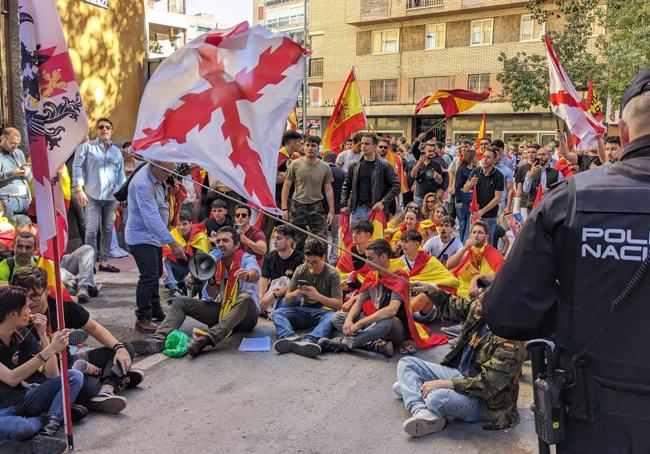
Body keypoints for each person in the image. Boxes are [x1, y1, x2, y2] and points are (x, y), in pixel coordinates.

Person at [483, 69, 650, 453]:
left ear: (622, 134)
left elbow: (506, 312)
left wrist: (573, 310)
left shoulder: (571, 199)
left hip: (596, 416)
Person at [394, 280, 526, 437]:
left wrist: (442, 384)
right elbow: (452, 304)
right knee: (407, 363)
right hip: (460, 375)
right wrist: (431, 290)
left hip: (486, 402)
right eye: (482, 294)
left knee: (435, 397)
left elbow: (487, 385)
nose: (478, 298)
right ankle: (421, 411)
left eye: (484, 298)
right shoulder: (478, 310)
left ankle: (415, 389)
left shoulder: (511, 340)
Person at [12, 267, 143, 415]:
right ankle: (116, 379)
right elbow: (47, 373)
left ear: (47, 290)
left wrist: (119, 348)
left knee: (125, 348)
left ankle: (107, 389)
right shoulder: (13, 316)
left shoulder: (60, 305)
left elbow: (93, 327)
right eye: (24, 296)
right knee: (81, 383)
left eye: (35, 296)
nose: (29, 302)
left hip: (71, 362)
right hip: (43, 375)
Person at [154, 227, 260, 358]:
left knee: (245, 298)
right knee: (180, 301)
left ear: (237, 245)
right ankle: (159, 339)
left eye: (225, 241)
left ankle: (206, 340)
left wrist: (247, 275)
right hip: (223, 312)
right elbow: (211, 295)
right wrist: (210, 277)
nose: (220, 244)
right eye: (218, 241)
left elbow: (255, 273)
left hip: (246, 317)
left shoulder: (246, 258)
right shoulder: (215, 262)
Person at [0, 286, 83, 441]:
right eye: (26, 308)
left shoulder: (21, 333)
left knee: (73, 376)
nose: (30, 312)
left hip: (24, 397)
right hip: (3, 409)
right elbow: (10, 378)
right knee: (23, 428)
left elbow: (52, 374)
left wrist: (43, 335)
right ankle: (50, 416)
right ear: (12, 314)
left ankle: (52, 420)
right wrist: (51, 348)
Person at [126, 160, 187, 333]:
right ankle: (143, 317)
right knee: (149, 275)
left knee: (157, 272)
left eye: (170, 171)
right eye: (166, 172)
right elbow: (151, 217)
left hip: (154, 236)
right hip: (141, 236)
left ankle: (155, 309)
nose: (169, 175)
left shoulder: (160, 177)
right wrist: (173, 243)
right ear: (153, 165)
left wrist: (170, 188)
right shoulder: (142, 183)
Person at [323, 239, 409, 357]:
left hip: (395, 327)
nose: (366, 262)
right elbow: (359, 302)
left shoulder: (399, 275)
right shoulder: (372, 275)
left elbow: (391, 310)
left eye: (370, 259)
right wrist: (349, 320)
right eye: (366, 257)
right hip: (374, 322)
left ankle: (345, 343)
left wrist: (359, 324)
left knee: (387, 321)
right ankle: (375, 344)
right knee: (337, 317)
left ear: (383, 257)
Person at [72, 118, 126, 273]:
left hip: (111, 198)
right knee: (91, 230)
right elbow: (77, 167)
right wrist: (79, 189)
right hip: (92, 196)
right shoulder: (86, 148)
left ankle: (103, 261)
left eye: (108, 127)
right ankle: (89, 263)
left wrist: (120, 196)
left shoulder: (116, 152)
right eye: (101, 127)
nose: (104, 129)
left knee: (108, 230)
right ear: (97, 130)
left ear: (111, 131)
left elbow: (120, 175)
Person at [272, 240, 342, 358]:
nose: (311, 265)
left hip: (324, 312)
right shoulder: (301, 269)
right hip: (304, 309)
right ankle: (288, 337)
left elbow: (338, 305)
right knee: (278, 312)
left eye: (315, 262)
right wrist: (295, 293)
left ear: (323, 257)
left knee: (332, 317)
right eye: (307, 261)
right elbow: (288, 300)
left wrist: (317, 296)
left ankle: (310, 340)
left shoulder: (332, 273)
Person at [0, 230, 97, 303]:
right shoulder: (6, 266)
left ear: (35, 249)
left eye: (28, 247)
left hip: (58, 269)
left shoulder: (43, 262)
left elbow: (57, 291)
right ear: (13, 247)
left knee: (87, 249)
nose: (23, 251)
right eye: (20, 246)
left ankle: (84, 286)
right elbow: (5, 295)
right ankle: (88, 284)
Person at [281, 135, 334, 251]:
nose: (310, 148)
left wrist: (331, 210)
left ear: (317, 148)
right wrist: (284, 208)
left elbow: (329, 189)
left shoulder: (325, 167)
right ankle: (298, 267)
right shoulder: (295, 164)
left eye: (313, 146)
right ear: (303, 146)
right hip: (297, 206)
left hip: (316, 206)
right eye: (307, 145)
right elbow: (286, 186)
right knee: (297, 242)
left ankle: (322, 266)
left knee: (321, 241)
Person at [340, 133, 400, 222]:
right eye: (362, 144)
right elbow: (346, 186)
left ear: (375, 146)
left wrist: (383, 202)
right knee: (356, 235)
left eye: (367, 144)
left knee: (376, 236)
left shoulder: (385, 166)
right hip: (357, 210)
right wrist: (344, 204)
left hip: (376, 210)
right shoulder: (354, 166)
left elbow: (396, 186)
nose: (363, 146)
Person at [446, 220, 504, 299]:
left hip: (481, 294)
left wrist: (478, 278)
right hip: (462, 289)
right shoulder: (467, 250)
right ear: (470, 236)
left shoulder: (493, 254)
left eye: (480, 233)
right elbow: (448, 265)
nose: (476, 235)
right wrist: (464, 249)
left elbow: (501, 276)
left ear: (487, 236)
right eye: (474, 232)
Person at [258, 225, 304, 317]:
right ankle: (270, 309)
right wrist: (261, 296)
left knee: (295, 300)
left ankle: (271, 311)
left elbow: (295, 283)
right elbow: (264, 278)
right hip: (271, 293)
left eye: (279, 238)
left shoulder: (300, 259)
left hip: (287, 296)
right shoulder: (269, 256)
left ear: (289, 241)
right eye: (274, 238)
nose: (275, 242)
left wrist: (274, 296)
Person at [162, 210, 210, 298]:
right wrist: (163, 266)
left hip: (198, 270)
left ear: (191, 223)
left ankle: (200, 294)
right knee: (165, 260)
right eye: (178, 225)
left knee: (204, 263)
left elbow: (202, 259)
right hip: (182, 268)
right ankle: (173, 288)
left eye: (184, 224)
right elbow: (165, 251)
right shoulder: (173, 234)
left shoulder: (200, 235)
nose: (181, 228)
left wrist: (191, 274)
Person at [462, 148, 504, 244]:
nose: (485, 159)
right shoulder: (475, 171)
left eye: (488, 157)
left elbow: (497, 198)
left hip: (490, 215)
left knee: (487, 244)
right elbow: (465, 189)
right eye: (484, 156)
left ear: (494, 160)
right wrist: (471, 184)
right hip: (474, 214)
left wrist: (482, 211)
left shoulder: (499, 175)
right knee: (471, 242)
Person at [0, 128, 32, 217]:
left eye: (17, 144)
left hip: (24, 199)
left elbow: (28, 178)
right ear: (3, 138)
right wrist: (12, 173)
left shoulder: (19, 153)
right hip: (7, 201)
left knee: (24, 229)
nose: (15, 147)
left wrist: (27, 172)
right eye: (12, 143)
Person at [336, 219, 373, 295]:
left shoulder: (375, 255)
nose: (353, 235)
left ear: (368, 235)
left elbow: (376, 278)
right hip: (346, 290)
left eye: (358, 233)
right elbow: (337, 274)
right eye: (353, 232)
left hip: (367, 293)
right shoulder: (346, 253)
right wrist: (349, 276)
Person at [522, 144, 563, 211]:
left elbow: (562, 190)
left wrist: (549, 191)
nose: (541, 157)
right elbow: (525, 190)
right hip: (532, 207)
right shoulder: (530, 172)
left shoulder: (557, 173)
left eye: (543, 155)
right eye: (539, 155)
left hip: (549, 206)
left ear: (549, 156)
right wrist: (531, 175)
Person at [323, 151, 346, 264]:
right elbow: (345, 192)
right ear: (335, 159)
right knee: (335, 235)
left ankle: (323, 257)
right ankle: (333, 257)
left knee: (322, 235)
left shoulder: (320, 171)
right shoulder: (341, 173)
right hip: (337, 209)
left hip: (321, 209)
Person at [410, 141, 446, 206]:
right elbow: (412, 175)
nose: (431, 153)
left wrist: (438, 177)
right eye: (429, 151)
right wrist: (419, 163)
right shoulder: (418, 163)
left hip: (431, 198)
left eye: (433, 151)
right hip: (419, 197)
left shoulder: (437, 165)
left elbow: (440, 182)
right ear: (424, 152)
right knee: (420, 215)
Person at [454, 146, 477, 242]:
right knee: (463, 223)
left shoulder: (476, 169)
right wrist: (458, 200)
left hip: (472, 199)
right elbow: (457, 185)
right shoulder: (461, 169)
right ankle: (461, 243)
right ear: (471, 157)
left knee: (470, 223)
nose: (477, 158)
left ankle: (466, 242)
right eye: (475, 157)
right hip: (462, 199)